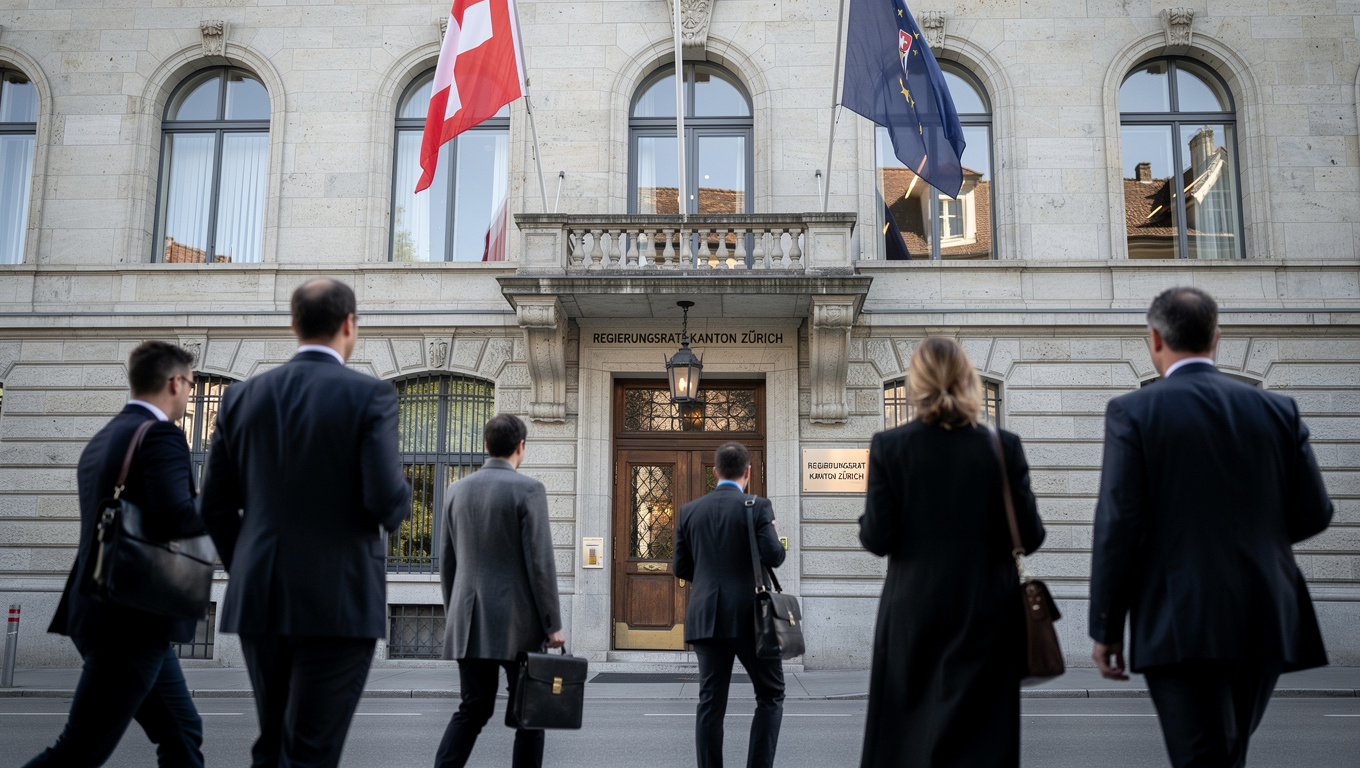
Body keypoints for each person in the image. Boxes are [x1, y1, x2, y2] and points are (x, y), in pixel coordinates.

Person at [1090, 287, 1333, 768]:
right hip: (1265, 610)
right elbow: (1315, 512)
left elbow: (1119, 524)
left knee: (1202, 757)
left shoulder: (1133, 412)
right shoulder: (1277, 409)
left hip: (1179, 615)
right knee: (1227, 752)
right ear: (1217, 339)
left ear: (1155, 340)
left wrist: (1106, 627)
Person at [199, 279, 411, 768]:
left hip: (262, 595)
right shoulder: (371, 395)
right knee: (313, 750)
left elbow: (213, 507)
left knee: (273, 746)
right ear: (350, 325)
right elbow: (386, 502)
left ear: (293, 325)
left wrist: (247, 565)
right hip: (339, 598)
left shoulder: (242, 397)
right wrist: (402, 493)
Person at [858, 337, 1045, 768]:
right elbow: (1030, 536)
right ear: (969, 380)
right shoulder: (1003, 446)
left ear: (915, 383)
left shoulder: (890, 446)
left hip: (913, 609)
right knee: (982, 737)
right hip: (987, 608)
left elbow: (877, 539)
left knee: (907, 737)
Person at [25, 341, 206, 767]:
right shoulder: (161, 435)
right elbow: (174, 519)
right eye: (191, 385)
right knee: (78, 751)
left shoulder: (106, 436)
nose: (189, 395)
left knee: (182, 732)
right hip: (131, 620)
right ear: (175, 382)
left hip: (103, 609)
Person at [435, 413, 564, 768]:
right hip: (519, 622)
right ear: (521, 447)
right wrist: (552, 624)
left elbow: (447, 563)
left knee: (472, 708)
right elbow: (540, 563)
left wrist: (455, 616)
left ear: (487, 446)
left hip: (469, 619)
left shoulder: (455, 490)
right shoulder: (528, 489)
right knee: (530, 715)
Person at [673, 441, 786, 768]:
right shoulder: (759, 506)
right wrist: (774, 535)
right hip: (753, 616)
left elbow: (681, 568)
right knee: (770, 694)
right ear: (748, 472)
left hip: (706, 614)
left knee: (710, 702)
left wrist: (710, 580)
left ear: (714, 471)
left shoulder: (689, 510)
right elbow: (775, 557)